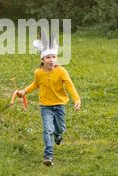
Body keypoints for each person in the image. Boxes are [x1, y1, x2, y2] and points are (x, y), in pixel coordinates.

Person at [17, 31, 81, 166]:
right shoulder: (38, 73)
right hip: (45, 106)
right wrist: (24, 91)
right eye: (48, 57)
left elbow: (69, 85)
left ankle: (58, 136)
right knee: (47, 130)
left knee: (59, 129)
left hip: (59, 105)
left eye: (53, 57)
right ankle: (48, 155)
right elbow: (35, 84)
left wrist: (77, 99)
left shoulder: (61, 71)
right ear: (42, 60)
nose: (51, 60)